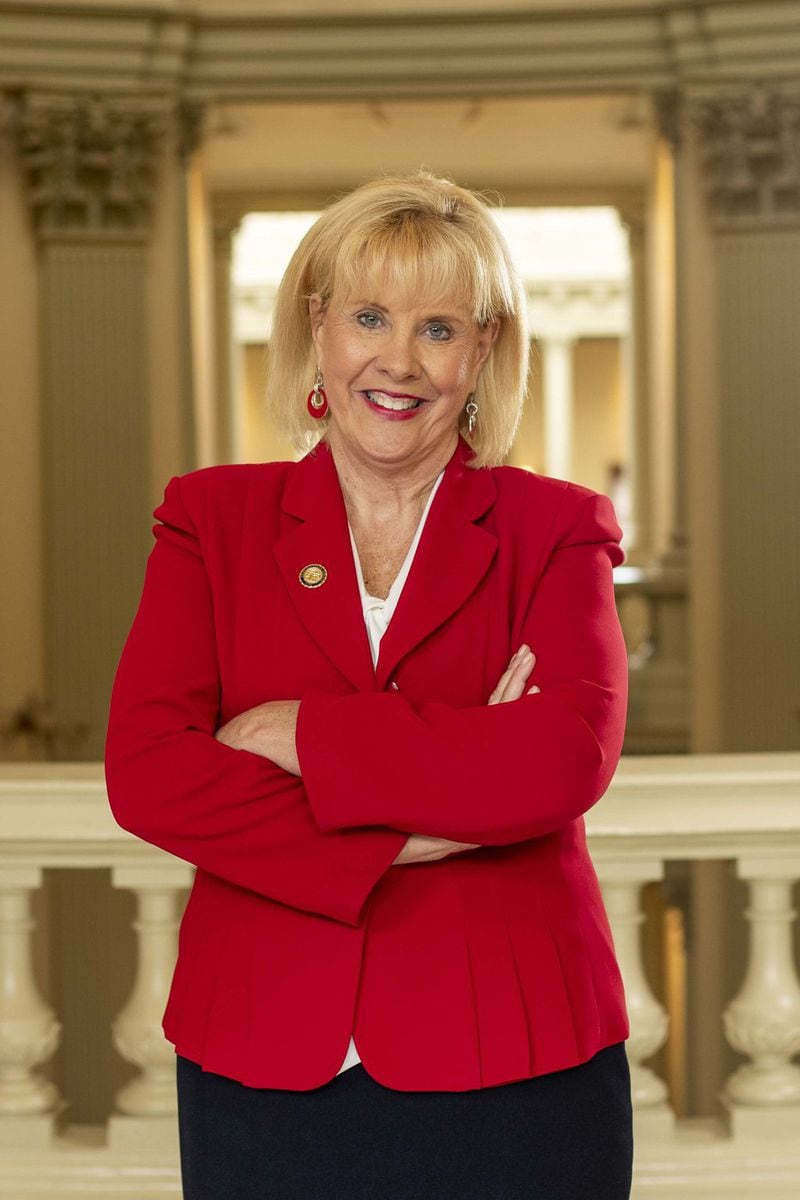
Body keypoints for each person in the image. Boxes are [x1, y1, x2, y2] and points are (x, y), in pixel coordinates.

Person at [104, 170, 633, 1200]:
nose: (398, 360)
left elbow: (562, 757)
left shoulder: (551, 529)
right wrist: (438, 808)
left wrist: (301, 734)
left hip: (516, 1058)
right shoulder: (211, 522)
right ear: (317, 328)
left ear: (481, 349)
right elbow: (149, 775)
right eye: (368, 317)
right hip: (263, 1054)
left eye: (438, 328)